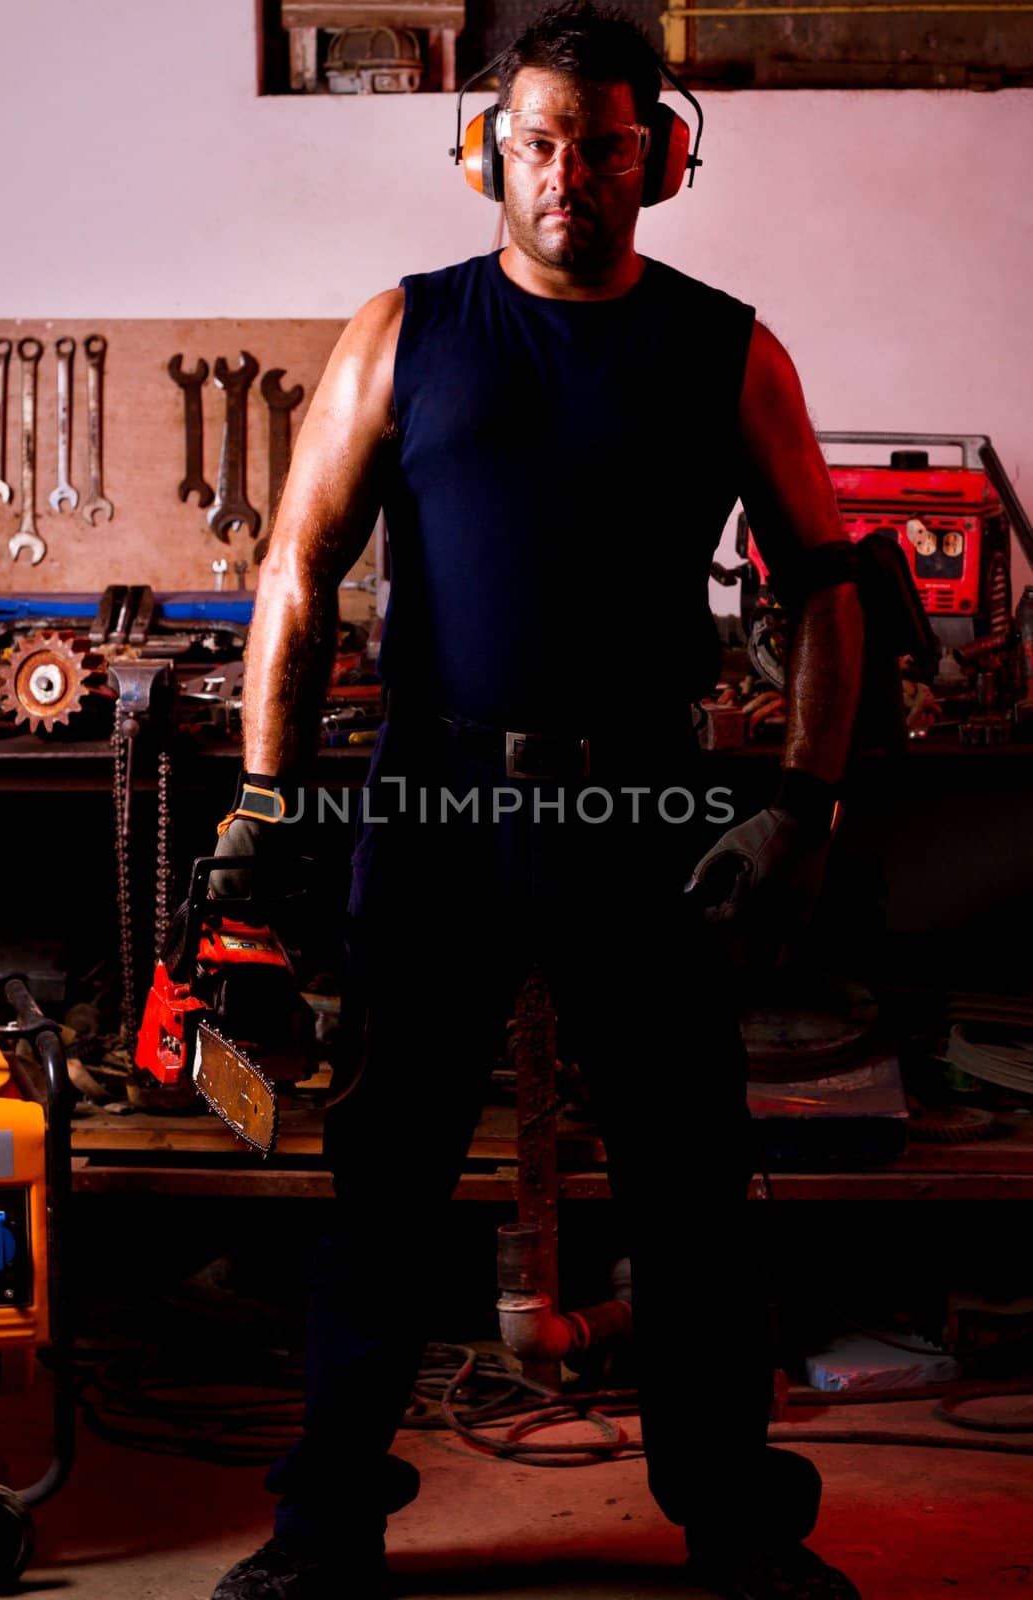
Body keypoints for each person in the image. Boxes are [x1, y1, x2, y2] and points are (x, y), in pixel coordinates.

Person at [210, 4, 865, 1596]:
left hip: (643, 804)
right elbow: (297, 568)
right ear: (485, 152)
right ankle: (323, 1533)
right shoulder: (403, 333)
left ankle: (733, 1527)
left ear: (664, 156)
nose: (574, 170)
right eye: (544, 138)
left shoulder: (727, 346)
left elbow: (829, 589)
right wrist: (266, 802)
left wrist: (800, 802)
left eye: (611, 142)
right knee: (382, 1184)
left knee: (693, 1189)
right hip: (432, 796)